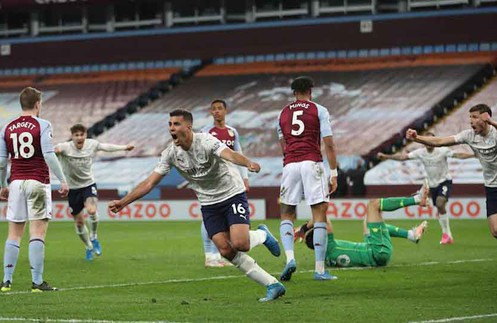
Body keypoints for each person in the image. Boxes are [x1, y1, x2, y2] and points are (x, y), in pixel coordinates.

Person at [108, 109, 285, 302]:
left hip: (232, 194)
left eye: (176, 124)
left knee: (241, 243)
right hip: (208, 203)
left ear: (188, 127)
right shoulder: (170, 154)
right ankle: (272, 284)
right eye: (169, 124)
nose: (171, 128)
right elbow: (149, 183)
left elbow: (230, 154)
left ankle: (263, 235)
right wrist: (123, 202)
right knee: (225, 250)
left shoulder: (206, 141)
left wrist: (248, 163)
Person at [406, 103, 497, 277]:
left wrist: (492, 121)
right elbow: (440, 141)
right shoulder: (469, 136)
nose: (471, 121)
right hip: (492, 188)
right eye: (470, 117)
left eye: (475, 117)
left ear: (485, 117)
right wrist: (417, 138)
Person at [0, 87, 69, 292]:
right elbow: (48, 155)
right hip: (37, 182)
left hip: (16, 183)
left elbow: (2, 161)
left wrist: (2, 184)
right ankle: (37, 282)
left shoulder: (7, 127)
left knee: (14, 234)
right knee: (37, 233)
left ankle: (6, 281)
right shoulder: (43, 124)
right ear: (38, 104)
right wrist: (63, 180)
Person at [277, 76, 338, 281]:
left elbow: (283, 144)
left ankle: (289, 259)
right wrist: (334, 172)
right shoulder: (319, 110)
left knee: (287, 213)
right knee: (319, 213)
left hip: (290, 164)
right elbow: (328, 143)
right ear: (310, 91)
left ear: (293, 92)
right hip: (311, 162)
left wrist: (291, 160)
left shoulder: (283, 113)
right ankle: (320, 270)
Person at [54, 124, 135, 261]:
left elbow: (106, 147)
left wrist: (124, 148)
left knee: (91, 210)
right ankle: (88, 246)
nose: (79, 137)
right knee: (79, 223)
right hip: (72, 189)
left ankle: (94, 236)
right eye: (76, 135)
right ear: (72, 136)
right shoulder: (65, 147)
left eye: (82, 134)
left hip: (88, 184)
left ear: (86, 135)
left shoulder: (92, 144)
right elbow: (54, 151)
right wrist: (53, 151)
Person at [378, 132, 474, 244]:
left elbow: (458, 155)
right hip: (432, 184)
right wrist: (386, 157)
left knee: (440, 203)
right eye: (427, 140)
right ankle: (447, 235)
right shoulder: (421, 153)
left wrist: (474, 155)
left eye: (431, 140)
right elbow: (403, 157)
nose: (429, 142)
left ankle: (446, 233)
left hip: (444, 181)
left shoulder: (442, 150)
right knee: (439, 207)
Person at [299, 186, 429, 268]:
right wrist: (303, 228)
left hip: (371, 252)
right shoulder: (330, 244)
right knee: (373, 205)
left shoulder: (325, 257)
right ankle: (418, 199)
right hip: (377, 252)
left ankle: (411, 235)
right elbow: (323, 216)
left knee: (367, 222)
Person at [200, 99, 248, 267]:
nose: (217, 111)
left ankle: (216, 255)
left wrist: (245, 177)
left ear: (226, 111)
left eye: (220, 108)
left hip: (230, 181)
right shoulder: (206, 132)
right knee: (210, 216)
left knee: (224, 220)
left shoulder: (232, 132)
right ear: (211, 112)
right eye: (214, 109)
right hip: (211, 181)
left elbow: (238, 153)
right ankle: (209, 255)